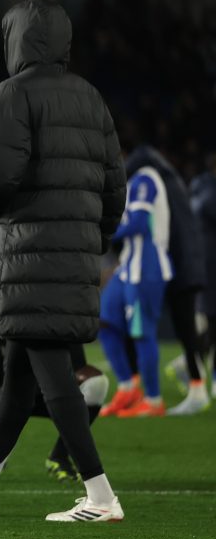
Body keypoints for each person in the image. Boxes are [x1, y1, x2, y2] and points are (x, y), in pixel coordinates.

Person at [0, 0, 127, 522]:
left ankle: (101, 496)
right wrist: (95, 238)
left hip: (28, 256)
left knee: (52, 374)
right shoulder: (91, 97)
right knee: (21, 375)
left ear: (17, 40)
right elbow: (115, 185)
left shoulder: (13, 93)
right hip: (73, 254)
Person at [0, 280, 109, 482]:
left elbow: (77, 363)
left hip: (44, 391)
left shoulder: (50, 295)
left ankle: (60, 456)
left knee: (95, 382)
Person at [122, 146, 209, 416]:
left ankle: (197, 389)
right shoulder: (172, 183)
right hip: (187, 264)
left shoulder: (153, 181)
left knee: (181, 330)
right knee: (184, 330)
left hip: (177, 267)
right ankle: (194, 383)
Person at [97, 161, 171, 417]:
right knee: (104, 321)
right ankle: (129, 388)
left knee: (142, 333)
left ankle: (153, 400)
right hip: (128, 266)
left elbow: (139, 224)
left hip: (146, 269)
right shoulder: (129, 185)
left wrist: (104, 234)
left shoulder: (145, 178)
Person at [190, 156, 216, 399]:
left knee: (207, 324)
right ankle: (194, 368)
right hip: (209, 269)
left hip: (202, 267)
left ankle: (193, 367)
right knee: (209, 324)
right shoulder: (209, 194)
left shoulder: (199, 188)